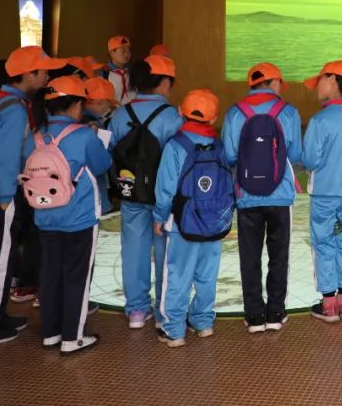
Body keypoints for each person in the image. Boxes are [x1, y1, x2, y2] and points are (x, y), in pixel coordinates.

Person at [0, 46, 64, 346]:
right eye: (43, 72)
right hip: (0, 194)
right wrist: (6, 196)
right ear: (28, 74)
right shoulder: (15, 109)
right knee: (0, 260)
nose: (47, 76)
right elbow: (5, 157)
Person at [23, 75, 111, 354]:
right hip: (79, 217)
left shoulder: (35, 136)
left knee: (50, 273)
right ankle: (73, 337)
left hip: (44, 216)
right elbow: (103, 164)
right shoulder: (83, 135)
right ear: (75, 105)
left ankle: (51, 333)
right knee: (77, 276)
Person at [222, 62, 303, 334]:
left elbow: (229, 156)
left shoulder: (235, 112)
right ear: (275, 82)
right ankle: (276, 313)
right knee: (279, 255)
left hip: (246, 196)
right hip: (280, 196)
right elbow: (295, 154)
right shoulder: (288, 112)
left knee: (249, 256)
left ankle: (254, 315)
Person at [153, 89, 233, 347]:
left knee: (177, 274)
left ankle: (174, 329)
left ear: (181, 112)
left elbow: (166, 188)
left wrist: (159, 216)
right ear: (214, 118)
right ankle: (203, 322)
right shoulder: (219, 146)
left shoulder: (175, 145)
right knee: (207, 275)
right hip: (213, 222)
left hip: (182, 223)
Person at [109, 55, 183, 329]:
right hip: (164, 198)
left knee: (133, 249)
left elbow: (108, 152)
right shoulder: (173, 117)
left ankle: (137, 312)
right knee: (165, 252)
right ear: (163, 82)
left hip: (131, 194)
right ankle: (164, 312)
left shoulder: (120, 114)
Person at [301, 60, 342, 323]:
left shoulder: (320, 120)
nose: (316, 86)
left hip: (325, 194)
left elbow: (310, 160)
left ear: (331, 80)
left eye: (319, 80)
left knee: (323, 243)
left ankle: (328, 304)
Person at [83, 77, 119, 214]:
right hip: (97, 197)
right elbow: (103, 162)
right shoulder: (96, 126)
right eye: (109, 104)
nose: (109, 108)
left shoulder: (73, 121)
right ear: (99, 102)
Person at [104, 35, 135, 106]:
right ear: (112, 53)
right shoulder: (104, 73)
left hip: (131, 110)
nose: (127, 54)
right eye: (123, 51)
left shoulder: (132, 71)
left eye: (128, 51)